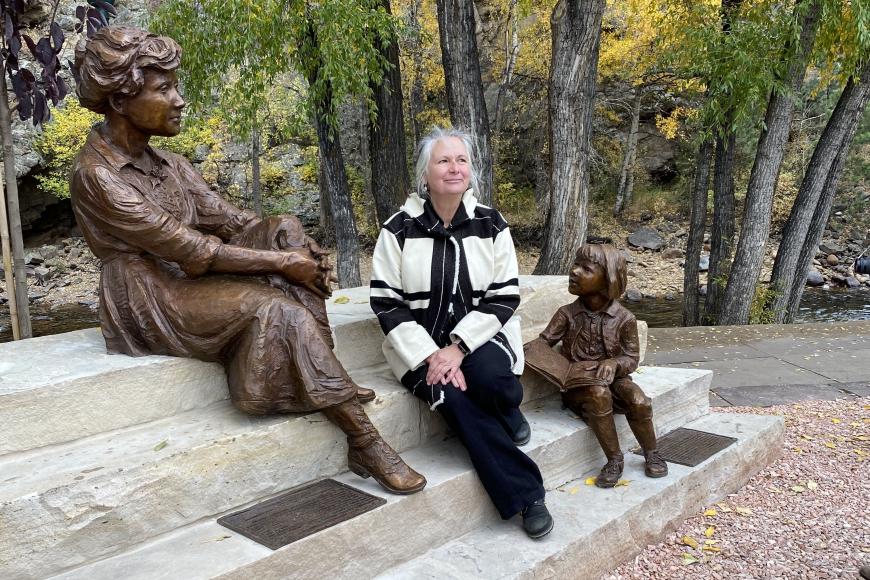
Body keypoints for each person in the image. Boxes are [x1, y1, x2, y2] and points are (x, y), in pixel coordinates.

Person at [69, 26, 425, 495]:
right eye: (164, 89)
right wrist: (280, 265)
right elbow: (190, 249)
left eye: (176, 86)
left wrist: (291, 248)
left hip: (189, 275)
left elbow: (233, 221)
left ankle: (325, 368)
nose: (179, 100)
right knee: (276, 307)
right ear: (119, 101)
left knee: (284, 228)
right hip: (150, 294)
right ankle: (364, 440)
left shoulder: (169, 164)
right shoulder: (96, 174)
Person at [369, 127, 553, 538]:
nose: (454, 168)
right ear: (426, 174)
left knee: (490, 377)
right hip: (419, 348)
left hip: (482, 335)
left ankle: (507, 407)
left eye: (461, 160)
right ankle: (528, 496)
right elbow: (386, 301)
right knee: (456, 401)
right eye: (443, 160)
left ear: (471, 170)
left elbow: (504, 295)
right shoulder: (398, 228)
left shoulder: (491, 224)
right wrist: (432, 354)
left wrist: (457, 347)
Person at [524, 244, 668, 488]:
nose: (574, 271)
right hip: (581, 386)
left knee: (639, 400)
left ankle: (651, 452)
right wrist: (542, 358)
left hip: (615, 380)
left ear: (608, 279)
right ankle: (614, 459)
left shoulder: (624, 319)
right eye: (575, 265)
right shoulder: (567, 313)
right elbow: (543, 343)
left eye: (586, 269)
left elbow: (631, 358)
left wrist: (614, 363)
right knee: (598, 394)